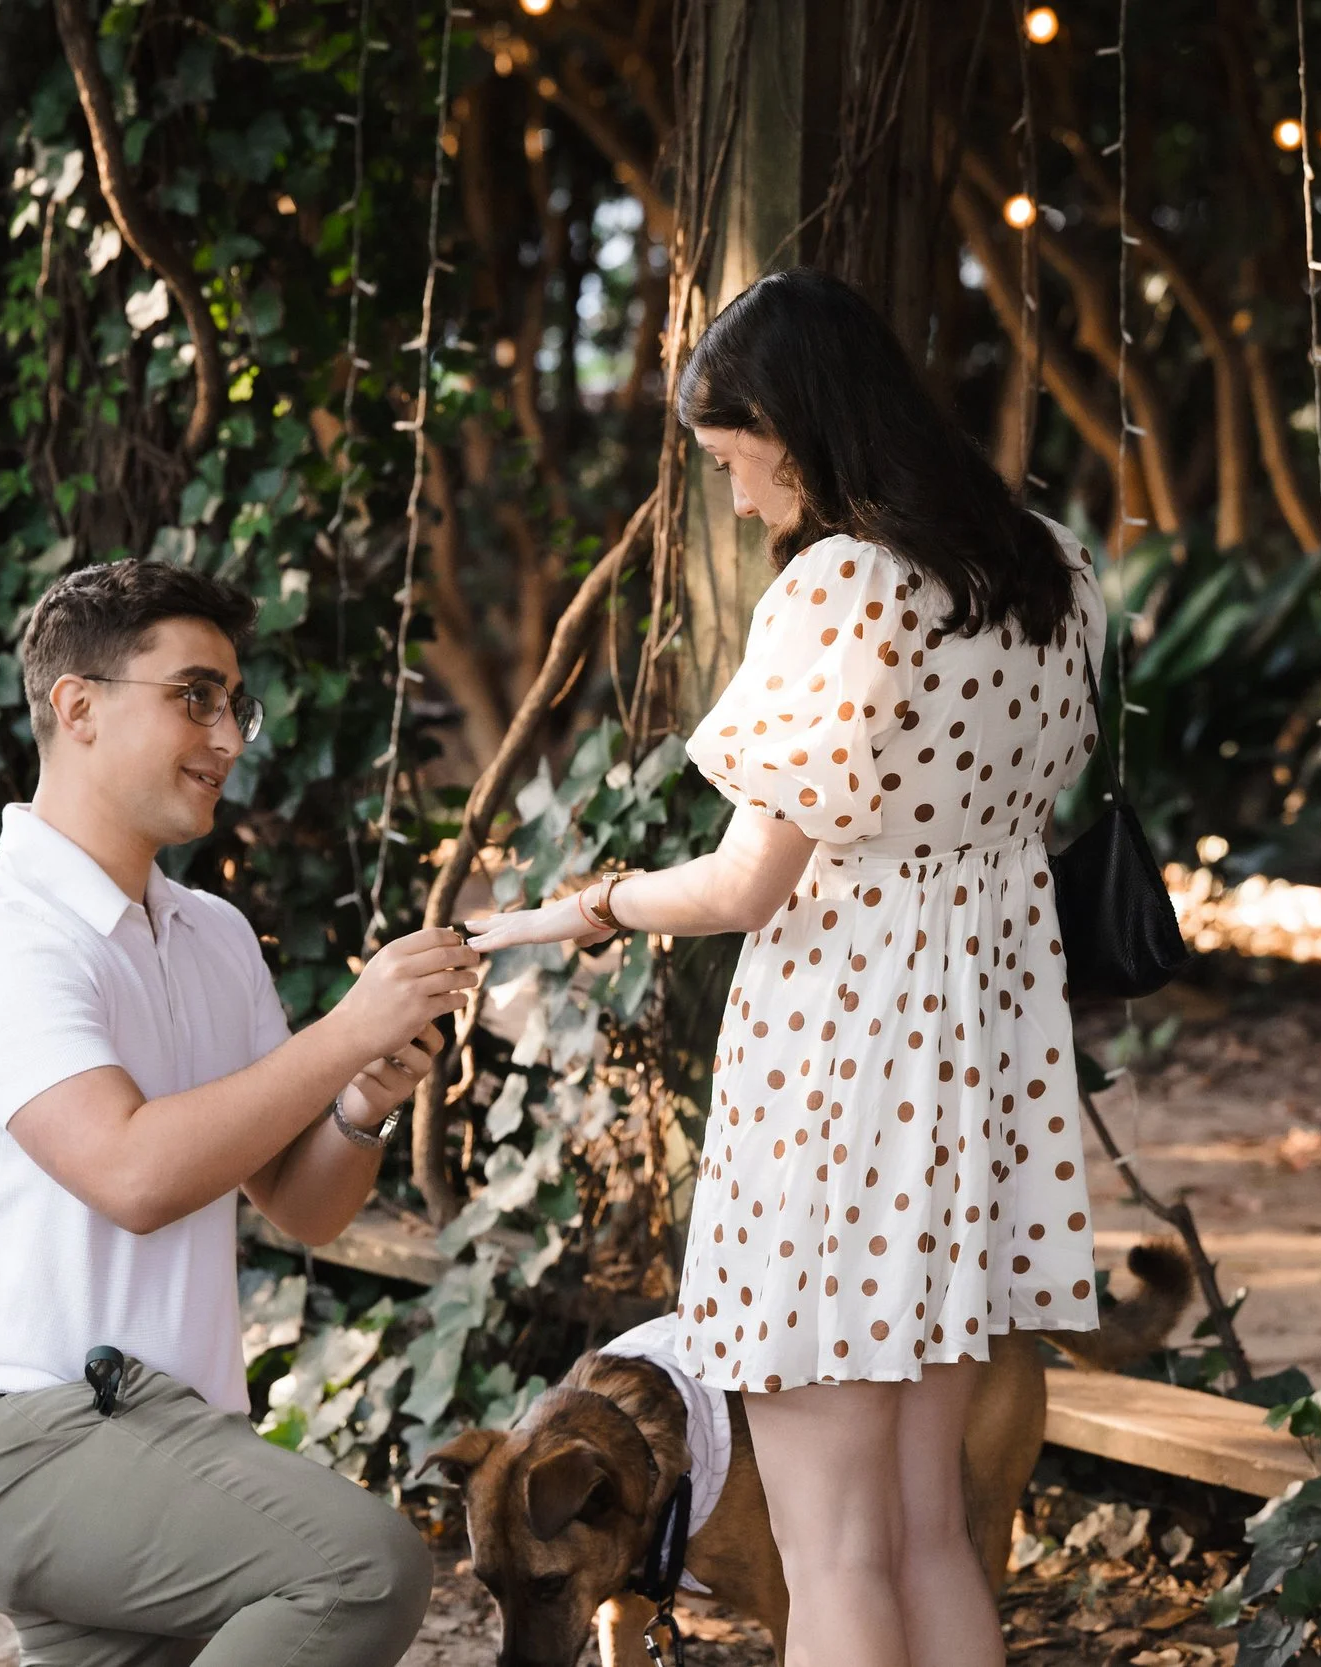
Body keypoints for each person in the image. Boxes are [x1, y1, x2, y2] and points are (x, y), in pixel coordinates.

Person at [467, 268, 1107, 1667]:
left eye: (730, 462)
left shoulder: (844, 585)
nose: (740, 499)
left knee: (833, 1553)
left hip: (837, 1080)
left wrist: (594, 902)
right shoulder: (1054, 567)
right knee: (933, 1527)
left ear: (795, 425)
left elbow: (751, 879)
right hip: (976, 1078)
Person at [0, 559, 474, 1667]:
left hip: (157, 1432)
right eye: (192, 696)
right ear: (77, 708)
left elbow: (302, 1206)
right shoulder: (1, 934)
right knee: (362, 1567)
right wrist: (342, 1031)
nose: (230, 736)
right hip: (14, 1433)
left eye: (233, 703)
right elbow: (135, 1175)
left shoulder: (210, 935)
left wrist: (359, 1099)